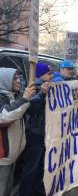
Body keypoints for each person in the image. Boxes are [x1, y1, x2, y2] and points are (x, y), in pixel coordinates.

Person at [0, 68, 36, 196]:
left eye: (19, 77)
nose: (19, 81)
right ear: (4, 80)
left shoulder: (12, 95)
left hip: (11, 156)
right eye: (14, 78)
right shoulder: (1, 97)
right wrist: (25, 98)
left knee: (7, 189)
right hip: (2, 158)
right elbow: (4, 116)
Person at [19, 63, 53, 196]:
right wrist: (42, 94)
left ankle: (38, 191)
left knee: (41, 167)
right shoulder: (32, 88)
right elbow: (29, 107)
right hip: (35, 134)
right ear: (41, 74)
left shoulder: (50, 87)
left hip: (45, 133)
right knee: (32, 168)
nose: (51, 76)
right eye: (49, 73)